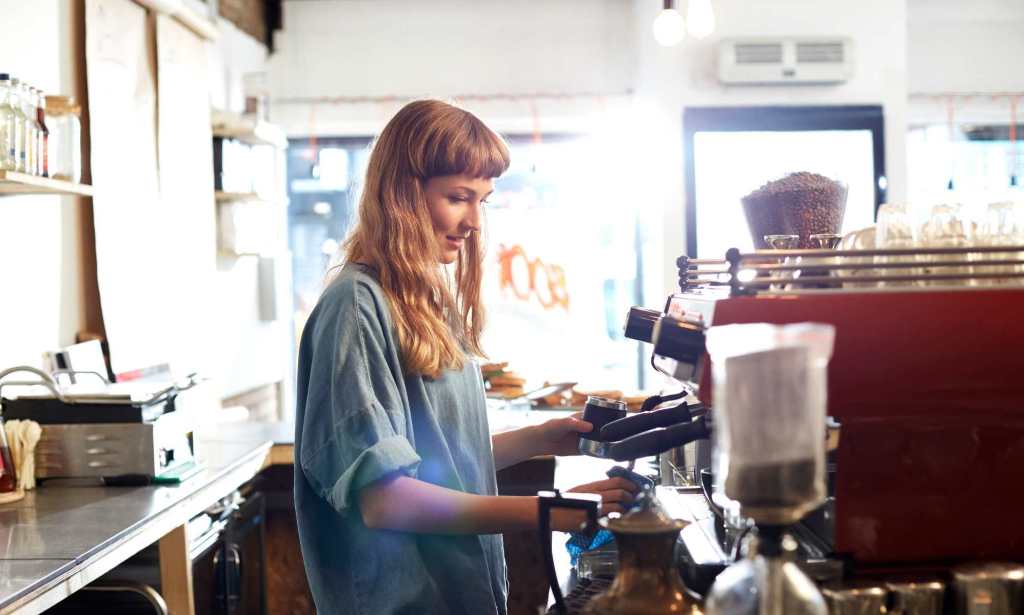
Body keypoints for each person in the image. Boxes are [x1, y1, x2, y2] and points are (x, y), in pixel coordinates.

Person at [293, 99, 639, 615]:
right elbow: (385, 498)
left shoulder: (421, 300)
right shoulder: (355, 307)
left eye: (484, 200)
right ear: (402, 194)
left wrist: (542, 438)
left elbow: (437, 460)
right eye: (458, 197)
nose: (475, 220)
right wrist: (550, 510)